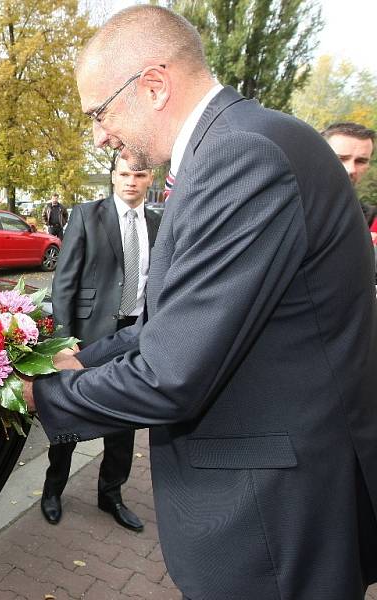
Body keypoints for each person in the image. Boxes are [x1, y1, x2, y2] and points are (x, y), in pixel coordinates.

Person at [23, 6, 377, 599]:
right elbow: (178, 318)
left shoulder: (240, 154)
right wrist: (80, 361)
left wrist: (38, 394)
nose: (99, 135)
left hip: (272, 515)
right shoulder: (239, 142)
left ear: (155, 84)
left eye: (98, 113)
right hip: (278, 497)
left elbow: (171, 373)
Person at [40, 157, 160, 531]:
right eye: (124, 174)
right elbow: (64, 283)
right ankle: (53, 490)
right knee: (69, 412)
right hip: (88, 336)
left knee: (123, 420)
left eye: (139, 175)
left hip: (135, 336)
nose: (131, 182)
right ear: (113, 176)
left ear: (149, 178)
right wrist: (63, 341)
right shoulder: (86, 215)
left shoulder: (159, 223)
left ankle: (111, 495)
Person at [320, 121, 375, 225]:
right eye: (340, 159)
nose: (351, 169)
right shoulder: (287, 206)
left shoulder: (369, 221)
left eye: (361, 161)